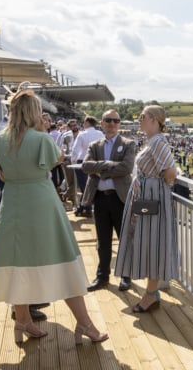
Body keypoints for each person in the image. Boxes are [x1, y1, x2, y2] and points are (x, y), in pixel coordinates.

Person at [0, 88, 107, 344]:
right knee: (61, 262)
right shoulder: (41, 140)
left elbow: (2, 174)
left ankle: (23, 321)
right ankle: (85, 324)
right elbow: (54, 160)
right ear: (33, 113)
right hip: (41, 205)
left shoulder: (1, 140)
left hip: (13, 206)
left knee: (17, 264)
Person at [114, 105, 179, 313]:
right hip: (148, 197)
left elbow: (170, 172)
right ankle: (151, 293)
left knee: (153, 243)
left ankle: (150, 295)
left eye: (142, 116)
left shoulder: (159, 141)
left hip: (152, 199)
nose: (139, 119)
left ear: (154, 120)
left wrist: (157, 188)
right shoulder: (152, 141)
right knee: (148, 242)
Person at [82, 110, 136, 292]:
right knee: (103, 241)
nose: (112, 123)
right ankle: (102, 277)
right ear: (102, 123)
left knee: (124, 239)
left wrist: (101, 168)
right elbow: (85, 166)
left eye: (116, 120)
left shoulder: (128, 144)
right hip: (100, 199)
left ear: (119, 123)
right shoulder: (94, 144)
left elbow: (127, 168)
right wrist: (111, 166)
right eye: (108, 120)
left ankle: (126, 276)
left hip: (120, 198)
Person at [71, 116, 104, 216]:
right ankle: (84, 208)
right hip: (96, 162)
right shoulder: (100, 134)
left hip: (83, 161)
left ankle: (85, 208)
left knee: (84, 186)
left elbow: (75, 150)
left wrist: (73, 162)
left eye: (84, 122)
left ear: (87, 123)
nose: (83, 123)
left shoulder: (82, 134)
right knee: (92, 186)